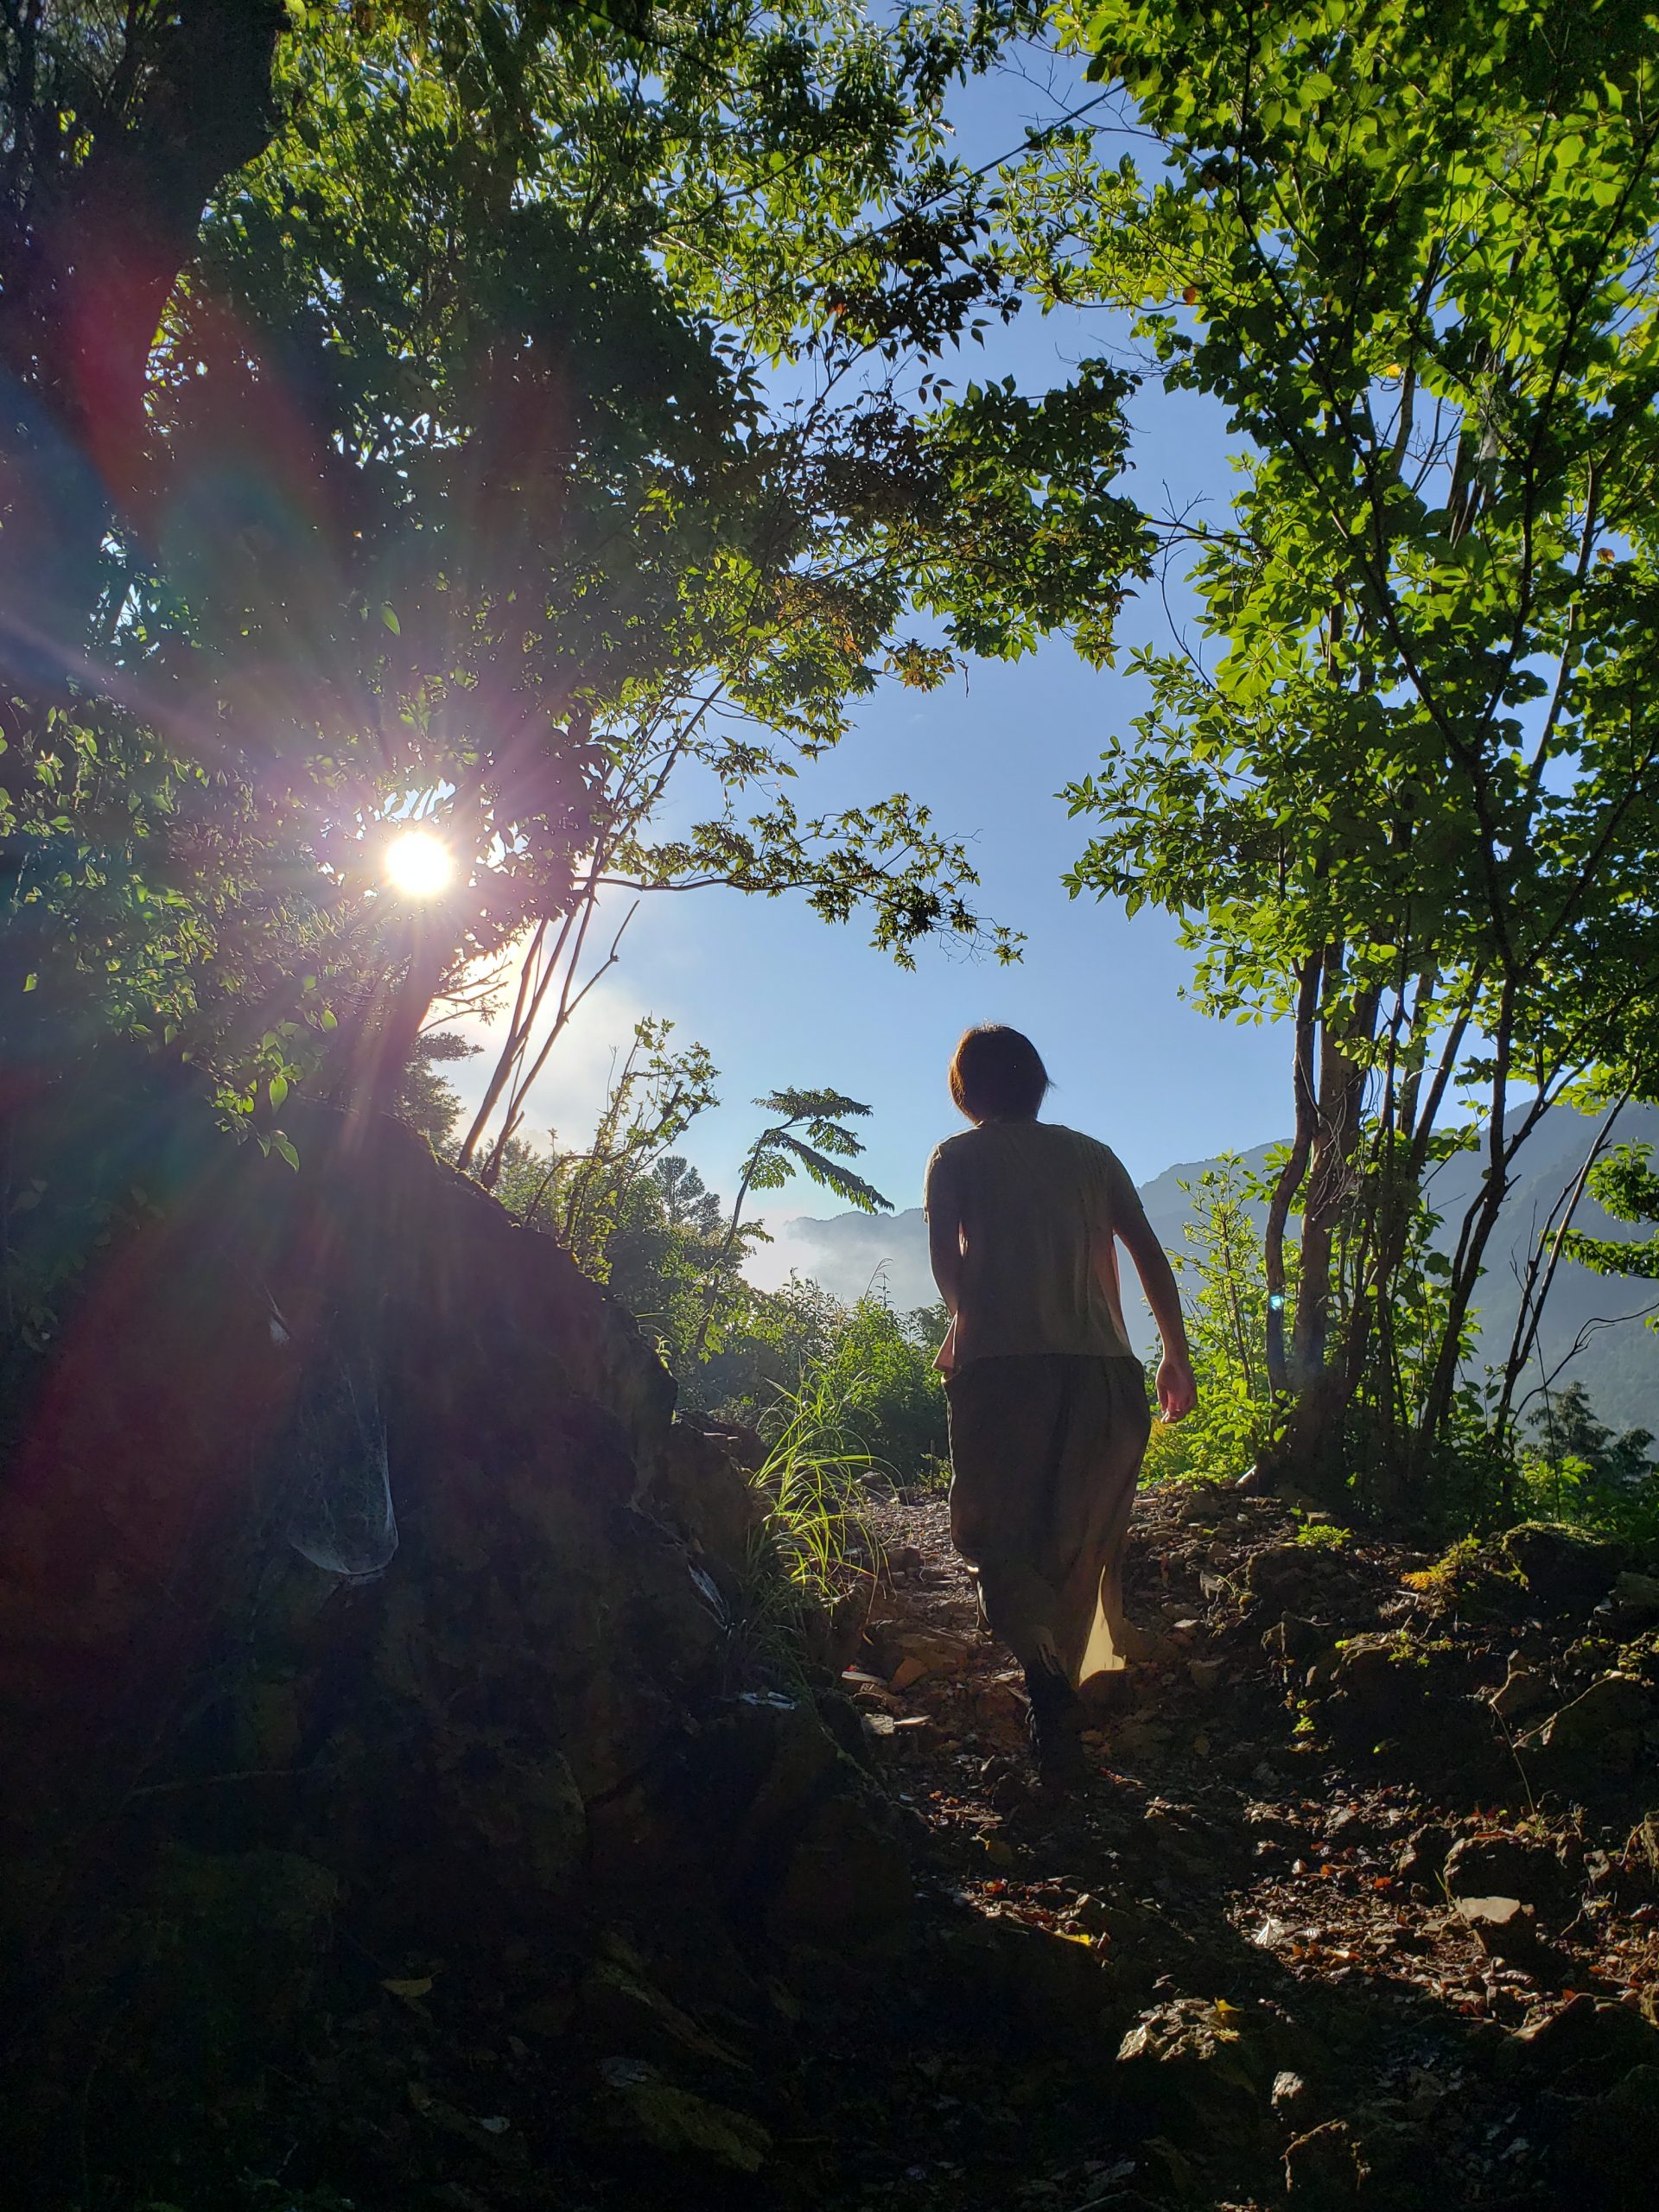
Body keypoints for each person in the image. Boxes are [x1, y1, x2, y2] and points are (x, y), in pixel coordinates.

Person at [925, 1024, 1197, 1787]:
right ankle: (1065, 1701)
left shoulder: (955, 1158)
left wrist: (966, 1322)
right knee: (1079, 1546)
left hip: (1002, 1374)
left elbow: (947, 1259)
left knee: (996, 1540)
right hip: (1103, 1375)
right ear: (1038, 1084)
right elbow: (1147, 1251)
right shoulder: (1092, 1156)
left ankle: (1044, 1676)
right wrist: (1174, 1354)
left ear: (966, 1091)